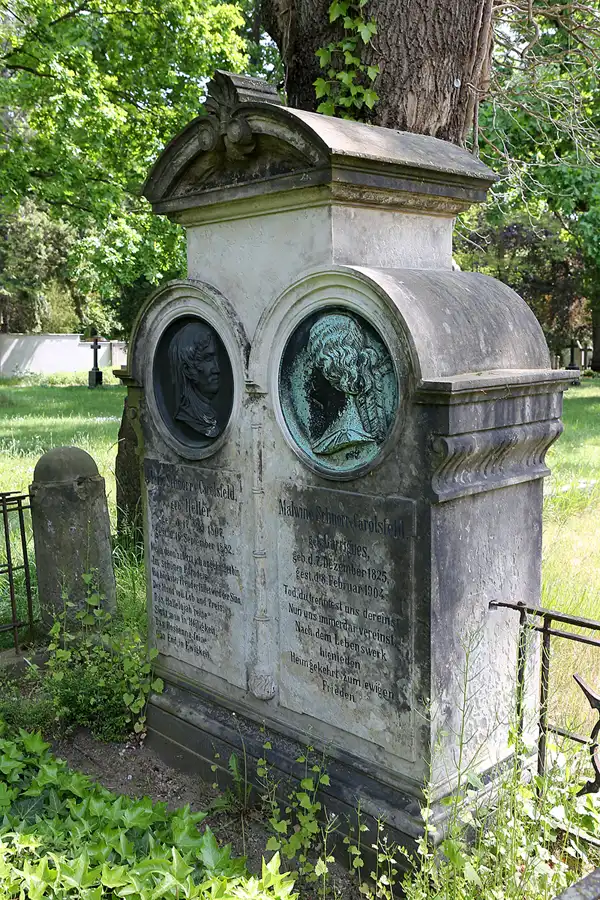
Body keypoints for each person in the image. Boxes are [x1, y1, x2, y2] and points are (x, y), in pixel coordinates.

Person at [307, 313, 390, 456]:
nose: (309, 372)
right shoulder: (331, 437)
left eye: (315, 363)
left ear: (334, 369)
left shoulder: (346, 436)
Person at [169, 321, 221, 437]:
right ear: (187, 369)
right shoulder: (189, 416)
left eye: (214, 358)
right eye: (208, 359)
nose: (217, 369)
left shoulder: (208, 413)